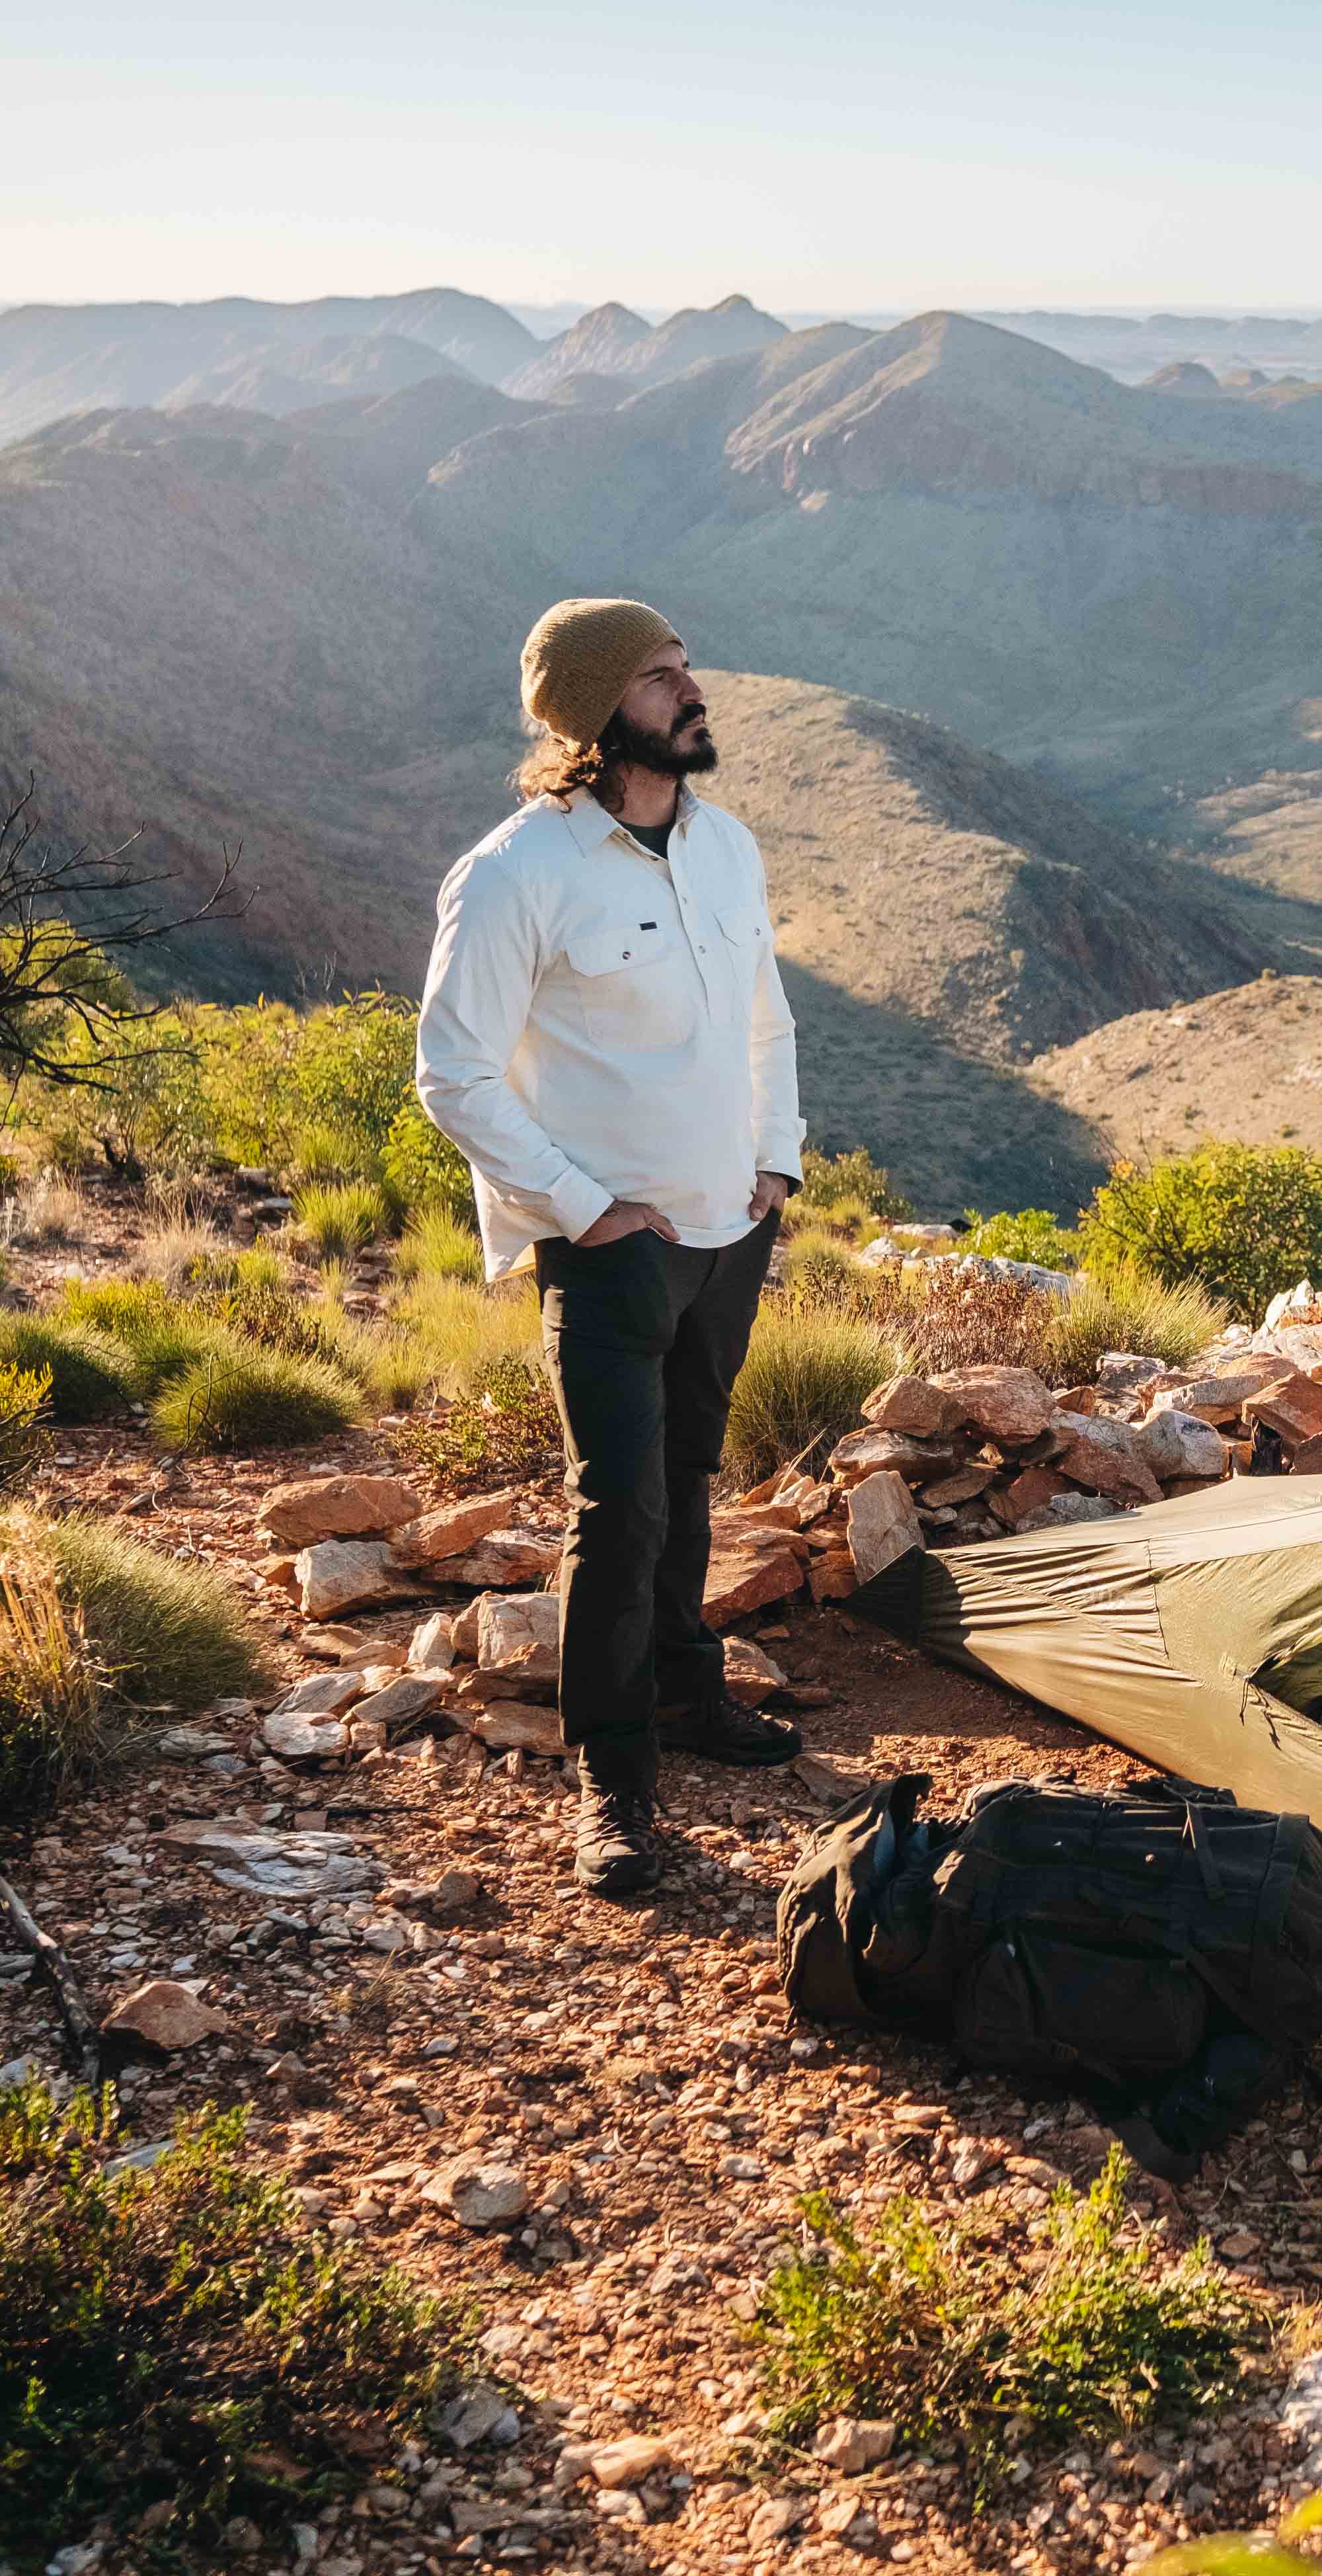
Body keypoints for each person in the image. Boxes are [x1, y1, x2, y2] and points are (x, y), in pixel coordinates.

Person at [417, 598, 806, 1898]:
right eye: (662, 675)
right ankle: (615, 1782)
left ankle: (689, 1694)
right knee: (618, 1505)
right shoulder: (518, 872)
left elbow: (767, 1023)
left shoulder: (727, 847)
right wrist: (581, 1206)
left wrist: (776, 1162)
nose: (694, 691)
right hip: (613, 1251)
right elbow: (452, 1073)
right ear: (594, 716)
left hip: (727, 1232)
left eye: (688, 665)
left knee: (690, 1476)